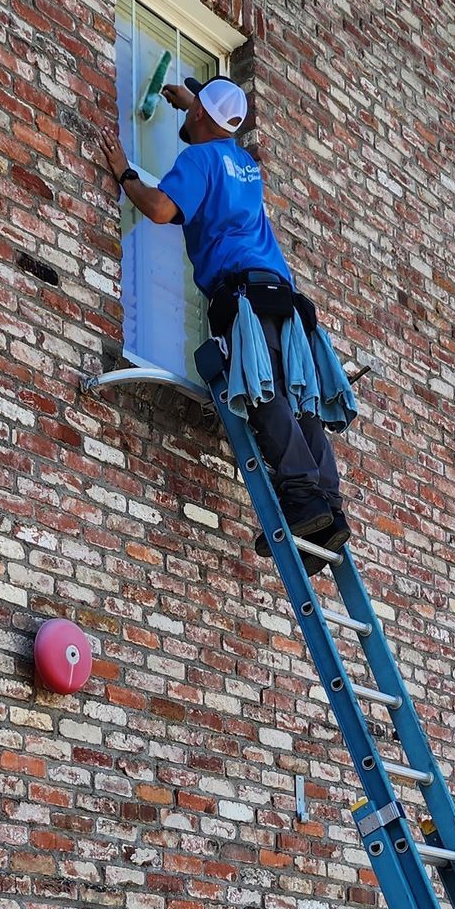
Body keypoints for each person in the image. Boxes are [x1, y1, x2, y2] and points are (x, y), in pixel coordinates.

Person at [96, 74, 353, 551]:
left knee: (263, 392)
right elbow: (216, 131)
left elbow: (158, 208)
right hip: (286, 300)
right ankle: (329, 505)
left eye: (194, 111)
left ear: (198, 116)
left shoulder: (199, 158)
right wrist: (196, 105)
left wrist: (125, 173)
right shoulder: (243, 162)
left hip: (243, 299)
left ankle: (302, 497)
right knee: (301, 399)